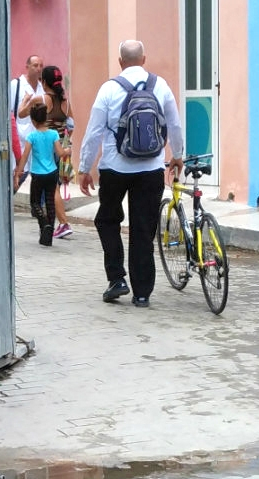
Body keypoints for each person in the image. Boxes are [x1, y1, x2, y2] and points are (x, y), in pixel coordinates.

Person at [78, 40, 185, 307]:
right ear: (144, 59)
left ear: (120, 61)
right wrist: (178, 154)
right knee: (143, 229)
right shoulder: (160, 86)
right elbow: (173, 122)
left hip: (114, 168)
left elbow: (93, 132)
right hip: (151, 169)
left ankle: (117, 279)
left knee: (107, 220)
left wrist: (84, 168)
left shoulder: (109, 89)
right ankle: (142, 293)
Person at [29, 65, 76, 239]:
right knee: (55, 185)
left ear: (44, 82)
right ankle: (55, 222)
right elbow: (71, 124)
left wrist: (27, 101)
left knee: (53, 187)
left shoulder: (41, 98)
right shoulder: (66, 102)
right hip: (62, 146)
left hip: (46, 149)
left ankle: (63, 223)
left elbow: (22, 113)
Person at [13, 102, 68, 247]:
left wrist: (19, 172)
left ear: (33, 120)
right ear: (46, 118)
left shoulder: (32, 137)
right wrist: (69, 151)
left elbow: (24, 156)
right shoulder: (53, 134)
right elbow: (60, 153)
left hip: (37, 174)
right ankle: (47, 236)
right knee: (50, 203)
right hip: (52, 172)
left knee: (35, 203)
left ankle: (44, 224)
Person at [8, 55, 45, 189]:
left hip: (37, 142)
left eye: (41, 66)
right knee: (16, 178)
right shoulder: (16, 85)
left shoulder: (42, 88)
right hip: (19, 141)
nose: (39, 69)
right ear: (27, 66)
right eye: (35, 65)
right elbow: (10, 112)